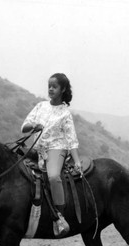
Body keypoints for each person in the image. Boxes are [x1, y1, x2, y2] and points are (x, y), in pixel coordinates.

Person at [21, 73, 81, 237]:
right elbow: (24, 127)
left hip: (57, 148)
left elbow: (71, 140)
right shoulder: (40, 106)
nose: (51, 89)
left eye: (54, 86)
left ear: (62, 89)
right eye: (49, 86)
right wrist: (34, 125)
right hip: (37, 149)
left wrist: (77, 162)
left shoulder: (65, 113)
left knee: (54, 176)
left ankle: (60, 217)